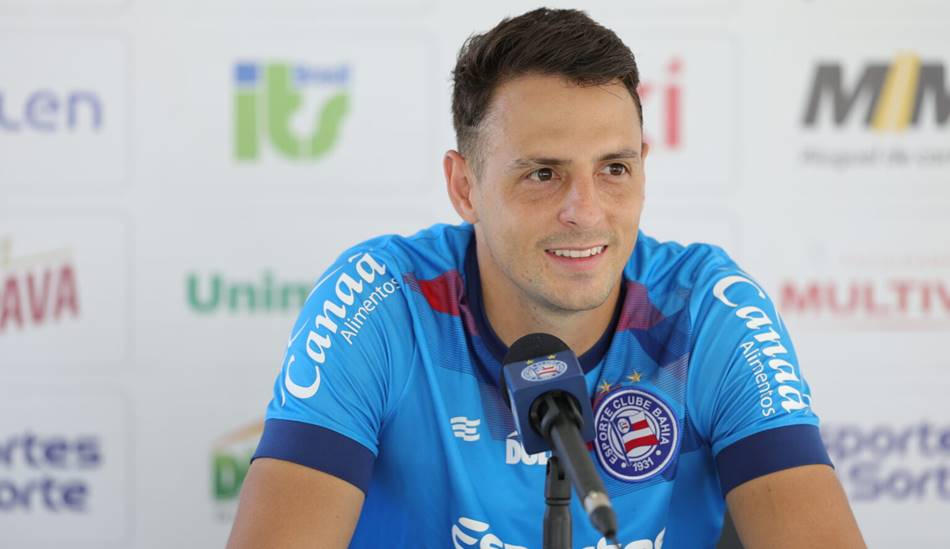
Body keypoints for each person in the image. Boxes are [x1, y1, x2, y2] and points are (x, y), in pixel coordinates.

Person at [227, 8, 866, 549]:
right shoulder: (383, 299)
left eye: (613, 169)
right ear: (464, 186)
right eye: (542, 174)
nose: (585, 212)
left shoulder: (706, 308)